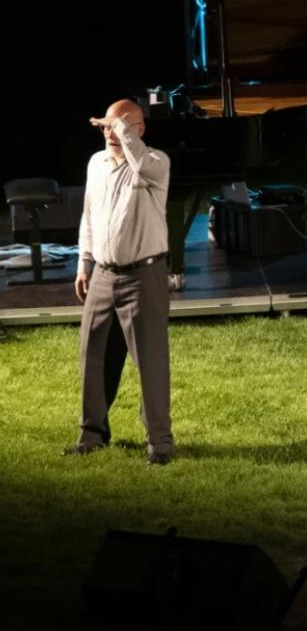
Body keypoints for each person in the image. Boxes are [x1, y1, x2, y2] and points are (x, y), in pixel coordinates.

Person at [64, 99, 174, 465]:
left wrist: (122, 127)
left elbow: (139, 160)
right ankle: (92, 435)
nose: (113, 132)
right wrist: (84, 264)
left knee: (150, 361)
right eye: (108, 126)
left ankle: (159, 443)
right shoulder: (96, 164)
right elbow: (89, 216)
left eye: (123, 125)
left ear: (140, 130)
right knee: (92, 356)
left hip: (144, 276)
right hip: (102, 274)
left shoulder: (155, 162)